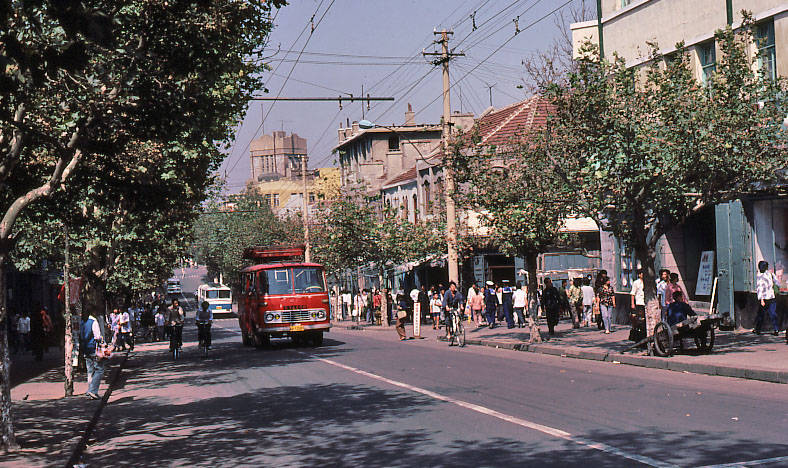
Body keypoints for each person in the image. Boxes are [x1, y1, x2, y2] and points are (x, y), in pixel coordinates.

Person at [80, 309, 106, 400]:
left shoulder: (82, 322)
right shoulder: (93, 322)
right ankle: (93, 390)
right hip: (93, 348)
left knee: (90, 370)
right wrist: (103, 344)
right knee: (99, 369)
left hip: (85, 349)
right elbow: (97, 336)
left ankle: (90, 390)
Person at [754, 260, 780, 336]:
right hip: (772, 297)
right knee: (773, 314)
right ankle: (776, 329)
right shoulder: (770, 274)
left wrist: (761, 300)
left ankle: (758, 329)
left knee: (761, 314)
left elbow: (760, 289)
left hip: (764, 299)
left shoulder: (759, 276)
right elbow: (777, 283)